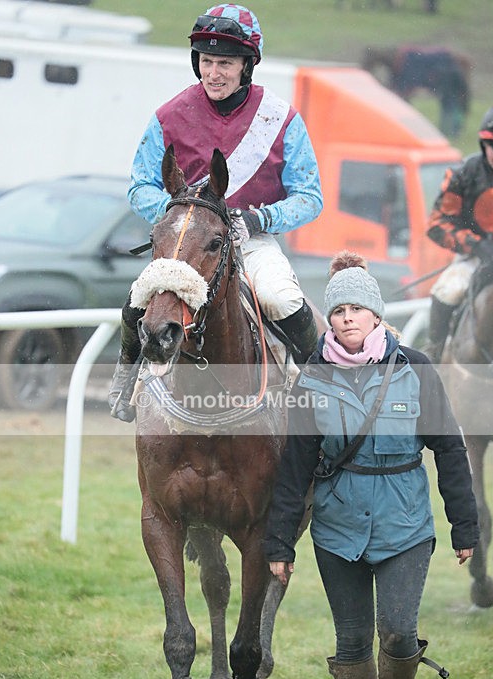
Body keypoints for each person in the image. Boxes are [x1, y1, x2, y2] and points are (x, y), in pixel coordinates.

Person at [264, 251, 479, 679]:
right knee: (352, 640)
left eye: (358, 309)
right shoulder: (311, 378)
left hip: (405, 525)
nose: (348, 319)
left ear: (377, 315)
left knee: (400, 632)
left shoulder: (416, 369)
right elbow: (294, 466)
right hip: (338, 531)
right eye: (339, 311)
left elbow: (449, 449)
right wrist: (280, 544)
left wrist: (464, 526)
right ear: (330, 319)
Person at [109, 4, 323, 421]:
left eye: (225, 63)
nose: (214, 73)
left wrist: (261, 219)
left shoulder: (280, 119)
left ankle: (322, 394)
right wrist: (182, 214)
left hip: (252, 239)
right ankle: (122, 385)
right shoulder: (169, 116)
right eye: (207, 61)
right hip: (187, 243)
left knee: (281, 298)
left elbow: (310, 197)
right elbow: (139, 186)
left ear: (247, 66)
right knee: (138, 300)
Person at [425, 104, 493, 363]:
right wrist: (476, 245)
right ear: (484, 145)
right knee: (448, 290)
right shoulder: (463, 174)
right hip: (475, 257)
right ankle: (432, 358)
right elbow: (436, 224)